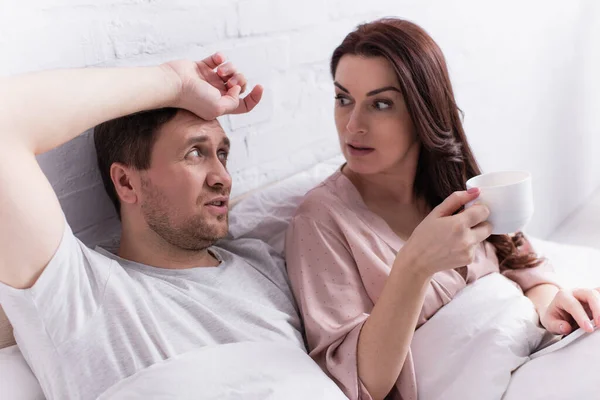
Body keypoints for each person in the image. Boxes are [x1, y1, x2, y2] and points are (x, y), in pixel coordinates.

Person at [285, 18, 600, 400]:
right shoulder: (321, 220)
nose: (353, 124)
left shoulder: (454, 184)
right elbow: (357, 383)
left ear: (424, 111)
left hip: (530, 359)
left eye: (380, 104)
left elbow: (527, 268)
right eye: (343, 98)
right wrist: (414, 267)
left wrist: (554, 305)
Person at [0, 54, 309, 399]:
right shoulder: (82, 296)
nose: (223, 177)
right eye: (195, 153)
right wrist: (173, 82)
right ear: (127, 183)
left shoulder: (263, 261)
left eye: (221, 154)